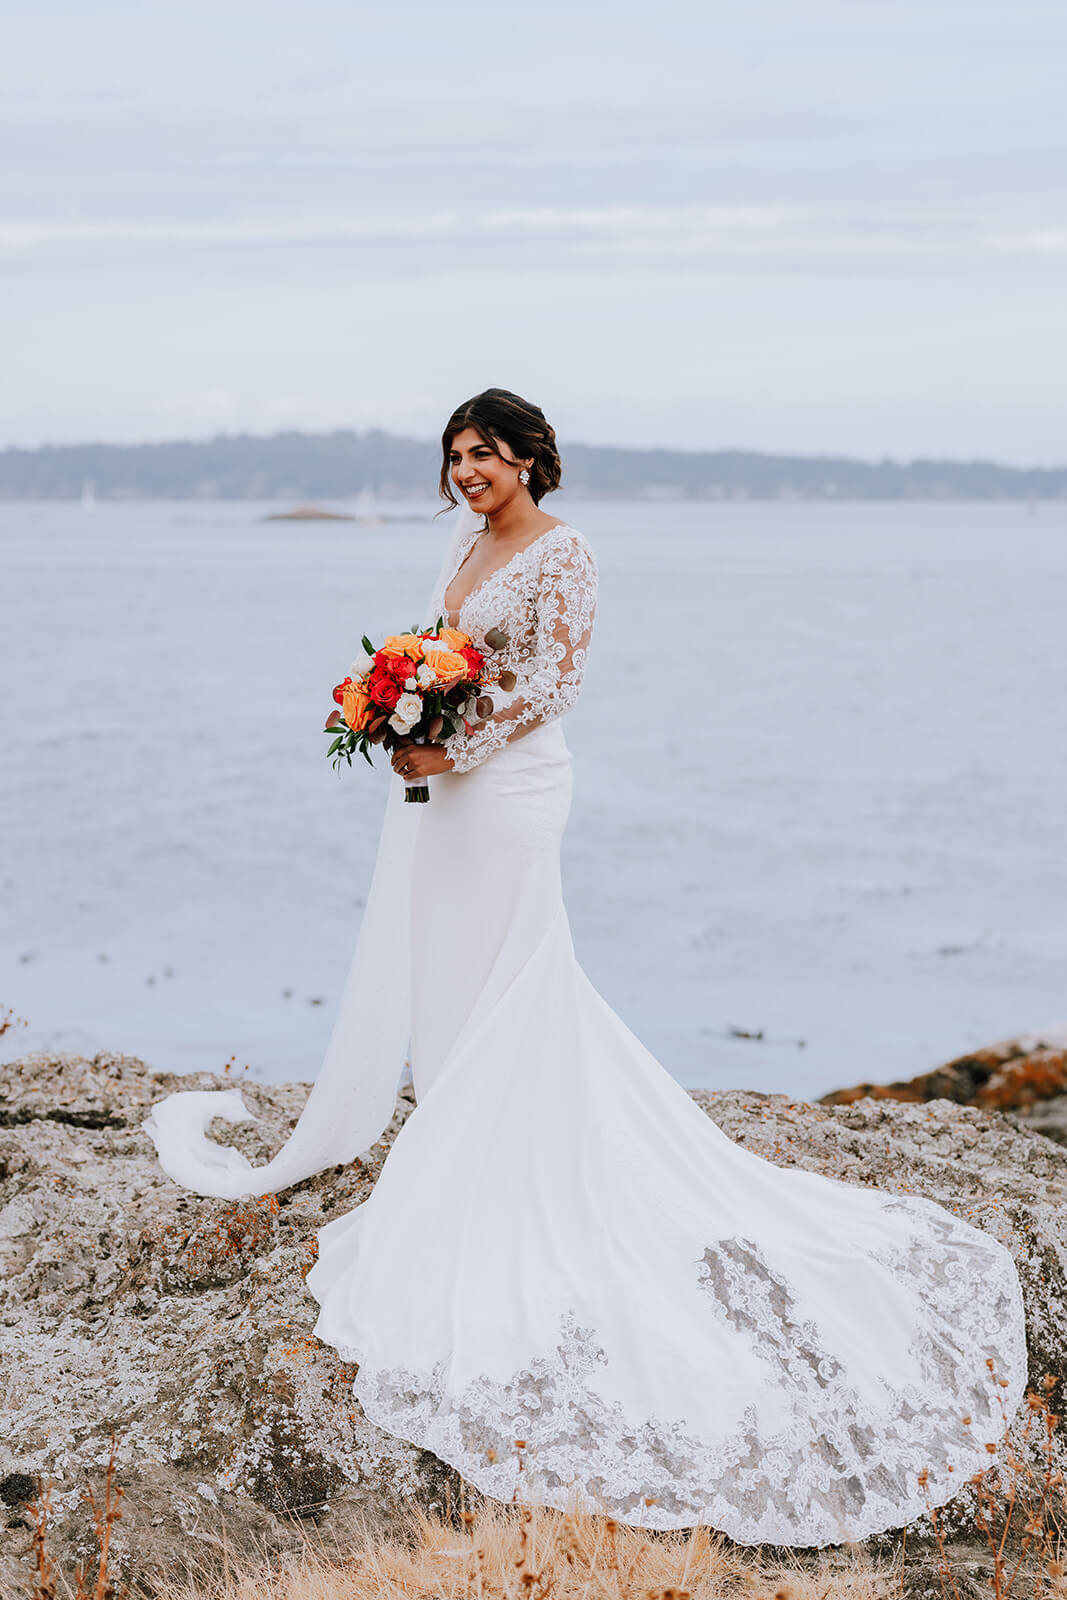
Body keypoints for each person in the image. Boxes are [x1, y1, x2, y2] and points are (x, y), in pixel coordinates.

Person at [145, 387, 1028, 1547]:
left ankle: (507, 1169)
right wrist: (398, 717)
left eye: (486, 452)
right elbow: (443, 655)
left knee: (514, 965)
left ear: (528, 458)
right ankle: (468, 1143)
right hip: (449, 794)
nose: (467, 470)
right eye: (454, 453)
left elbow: (554, 681)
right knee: (456, 975)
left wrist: (444, 739)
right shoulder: (462, 544)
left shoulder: (566, 554)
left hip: (511, 791)